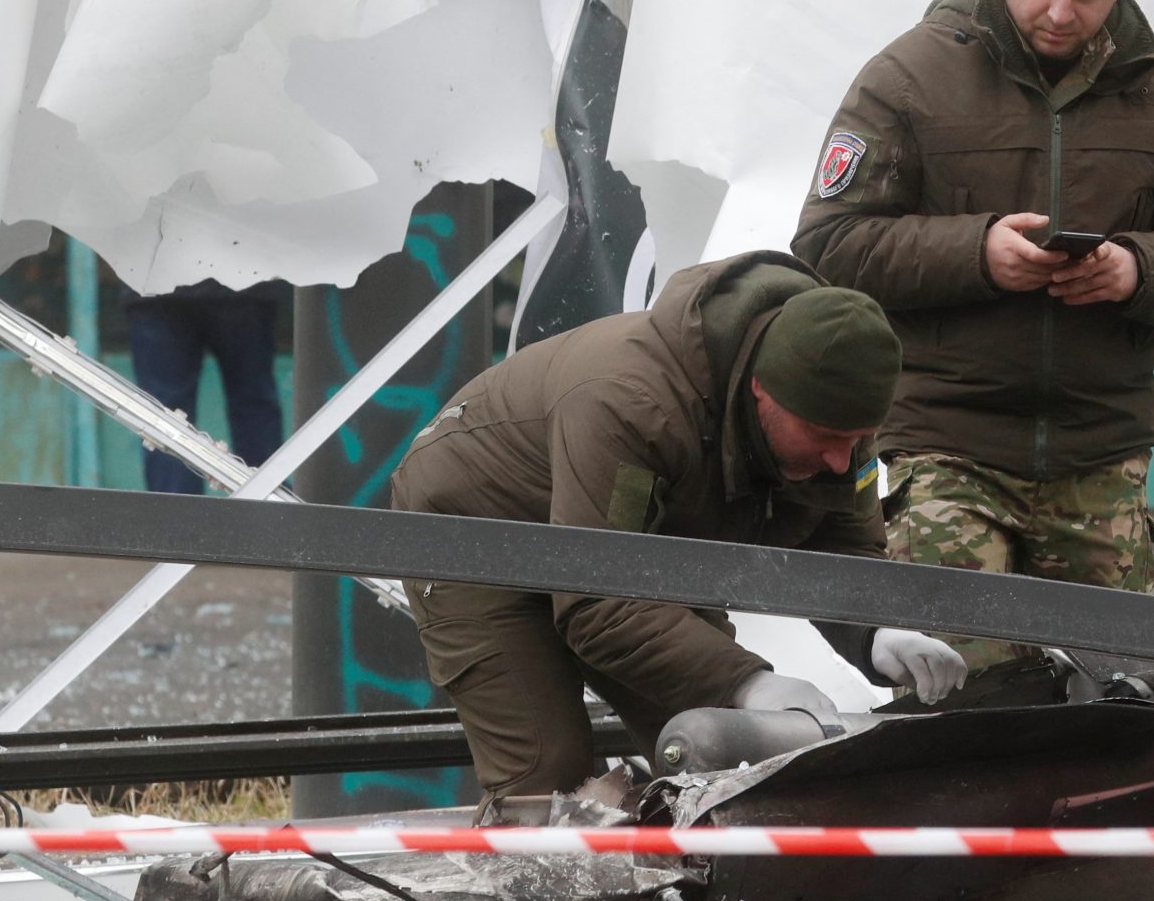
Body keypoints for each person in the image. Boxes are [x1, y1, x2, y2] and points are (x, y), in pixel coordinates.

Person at [794, 0, 1154, 670]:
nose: (1059, 10)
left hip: (1099, 451)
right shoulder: (907, 80)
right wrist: (978, 253)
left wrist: (1133, 268)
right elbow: (829, 240)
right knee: (961, 690)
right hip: (945, 441)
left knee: (1110, 707)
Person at [391, 250, 967, 808]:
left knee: (726, 754)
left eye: (856, 439)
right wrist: (747, 683)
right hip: (476, 525)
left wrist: (877, 633)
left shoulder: (836, 412)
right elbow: (598, 603)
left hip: (636, 549)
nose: (842, 461)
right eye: (824, 437)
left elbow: (841, 548)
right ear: (764, 388)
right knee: (549, 776)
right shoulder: (632, 403)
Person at [123, 281, 286, 493]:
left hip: (158, 284)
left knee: (164, 419)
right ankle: (269, 512)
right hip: (242, 276)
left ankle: (177, 520)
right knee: (253, 407)